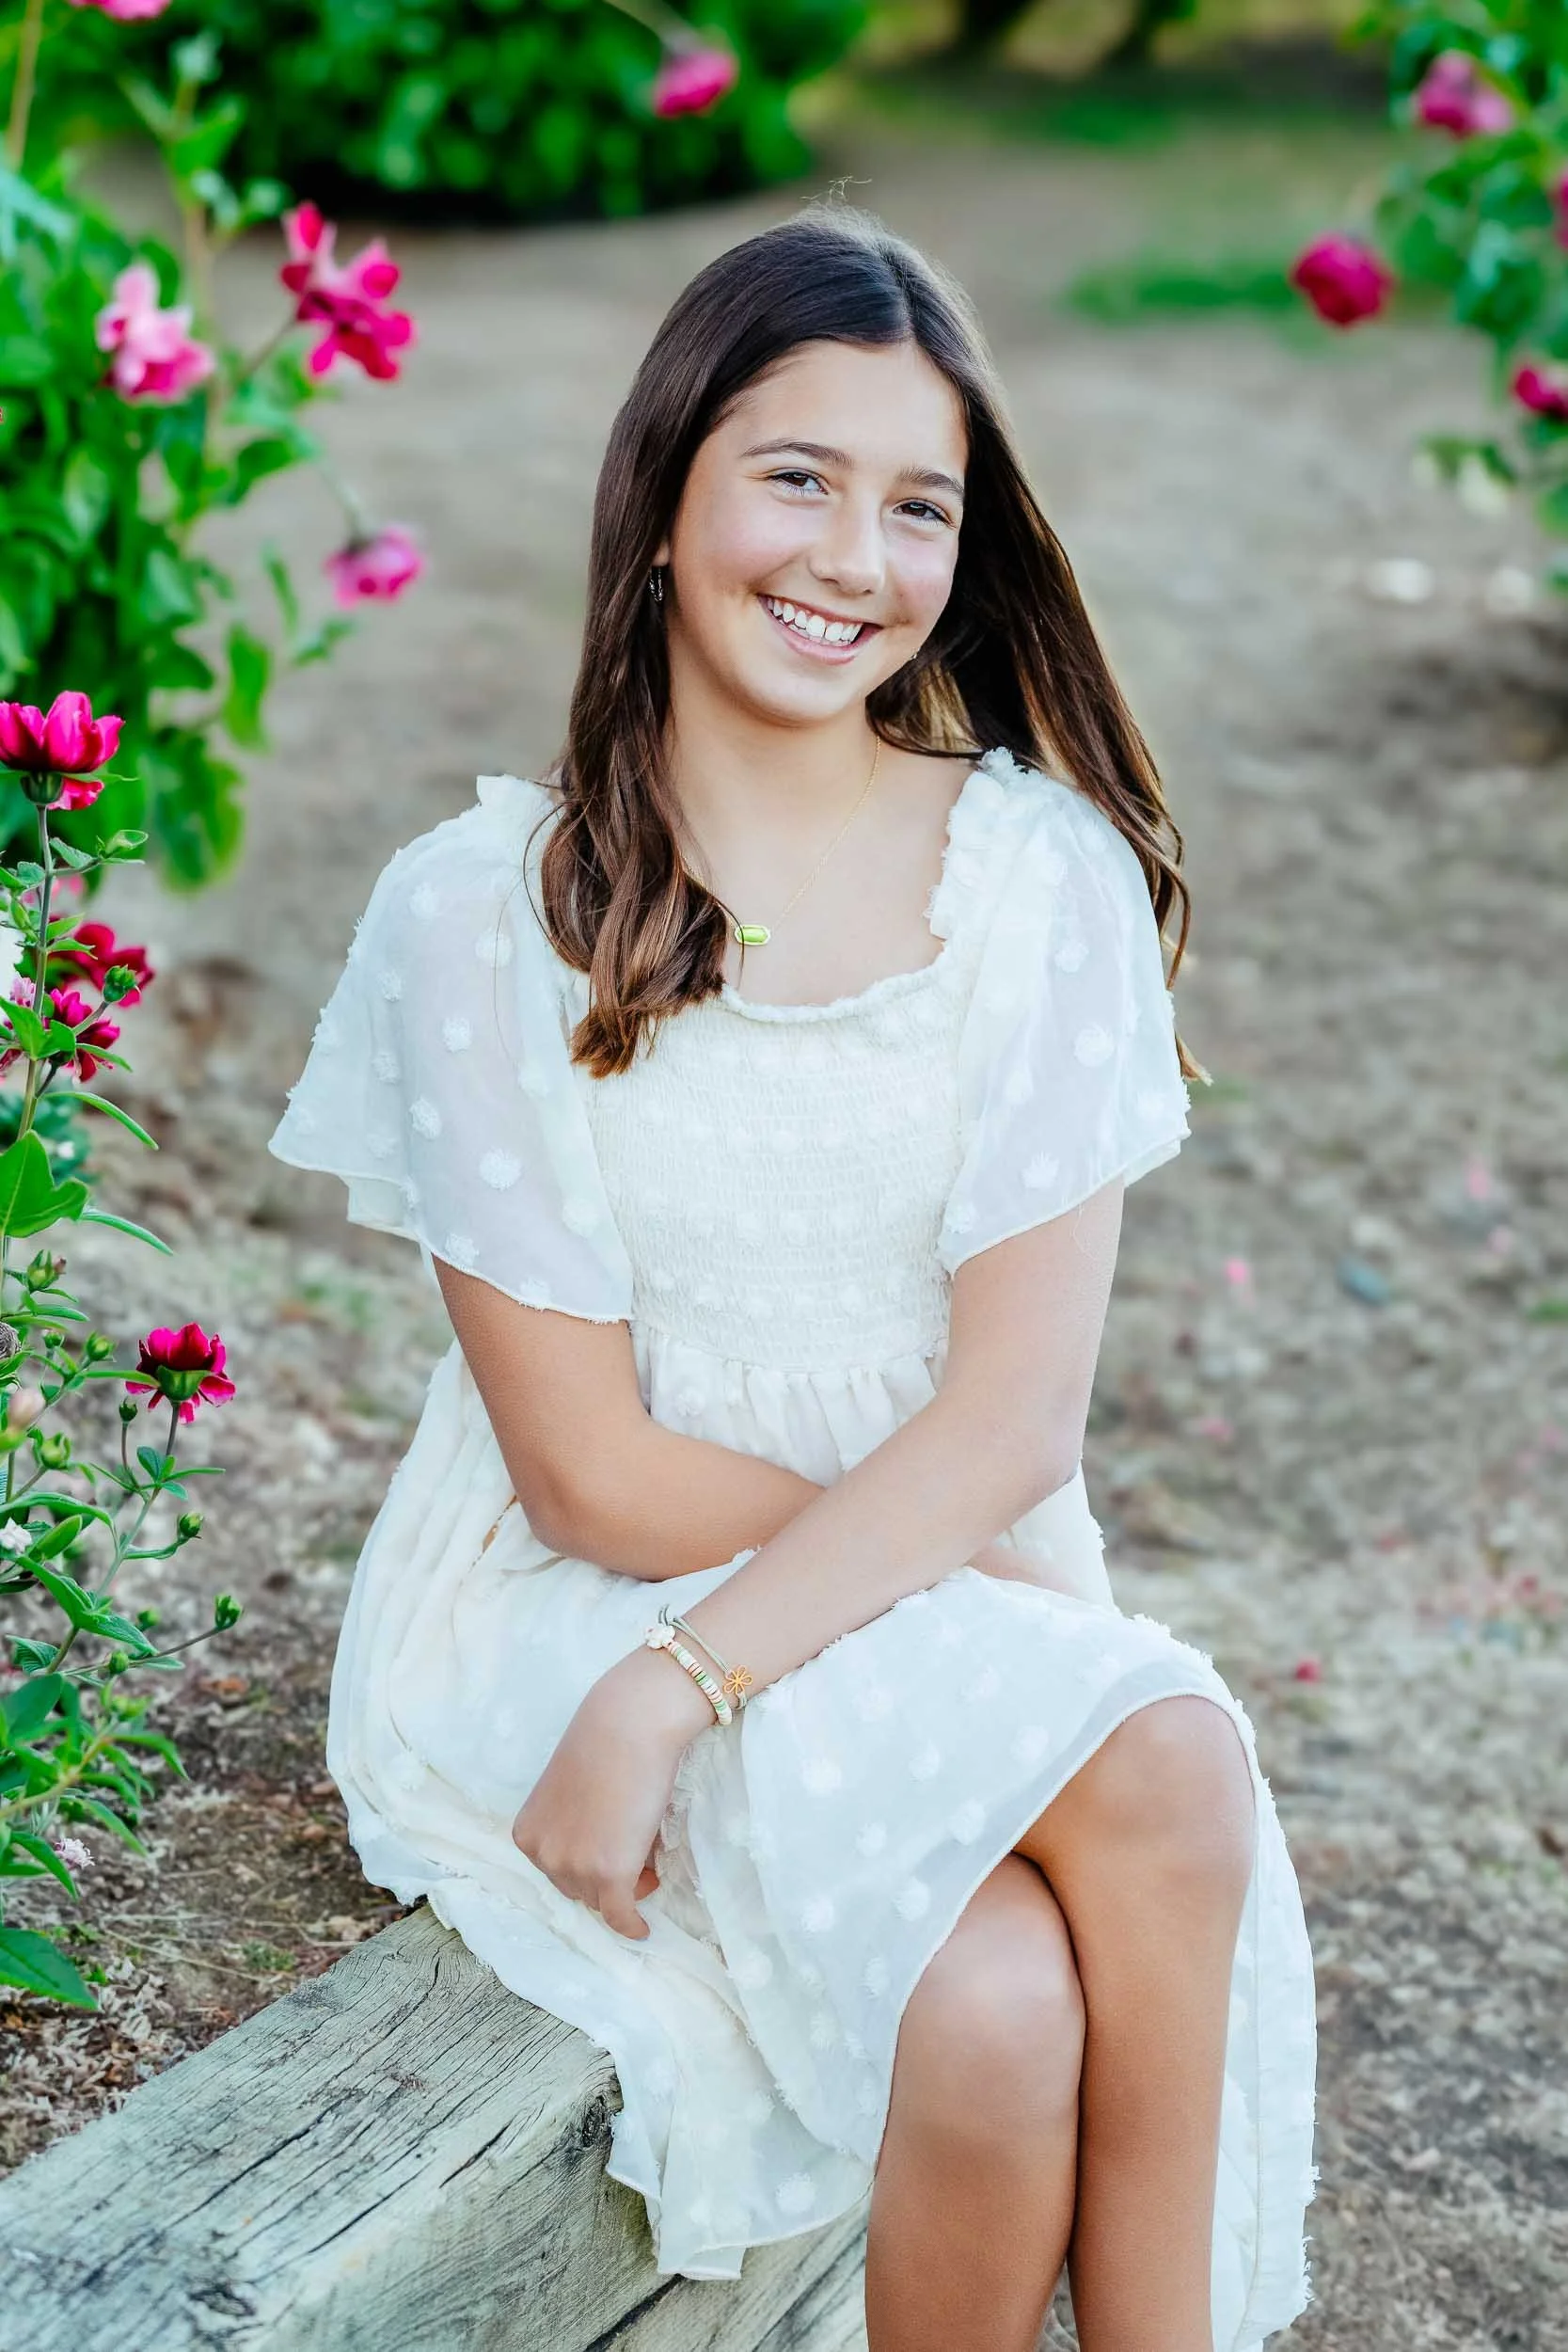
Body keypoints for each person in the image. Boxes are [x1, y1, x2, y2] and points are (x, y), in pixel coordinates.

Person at [267, 200, 1316, 2352]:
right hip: (579, 1597)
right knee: (1169, 1762)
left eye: (915, 502)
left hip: (912, 1574)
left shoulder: (1038, 883)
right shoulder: (486, 909)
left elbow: (1013, 1418)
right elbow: (582, 1472)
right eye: (795, 476)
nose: (852, 554)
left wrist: (735, 1664)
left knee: (1013, 1998)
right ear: (661, 492)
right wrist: (739, 1638)